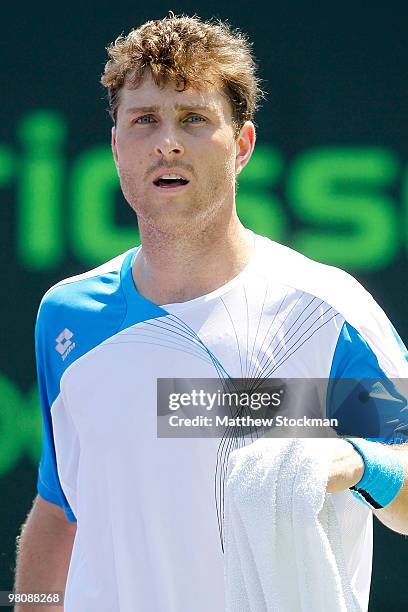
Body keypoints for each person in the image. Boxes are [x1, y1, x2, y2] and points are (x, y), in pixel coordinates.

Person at [14, 13, 408, 612]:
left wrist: (355, 461)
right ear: (117, 146)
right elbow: (60, 506)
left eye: (194, 119)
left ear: (243, 145)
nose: (167, 141)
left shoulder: (325, 315)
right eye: (145, 120)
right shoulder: (68, 318)